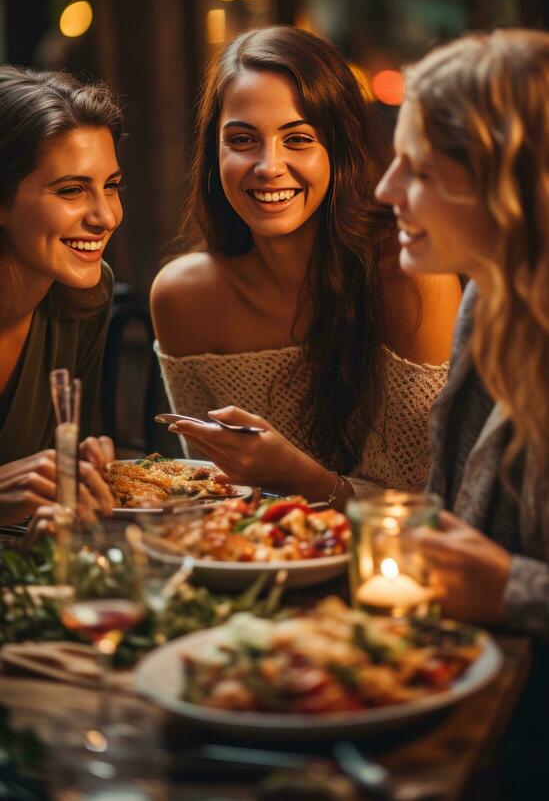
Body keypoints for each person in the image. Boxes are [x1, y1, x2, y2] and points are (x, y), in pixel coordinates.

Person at [151, 26, 461, 505]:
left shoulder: (409, 274)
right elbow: (210, 497)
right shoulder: (181, 297)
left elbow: (424, 505)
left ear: (340, 148)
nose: (269, 166)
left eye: (298, 139)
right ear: (215, 151)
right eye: (242, 139)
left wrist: (298, 476)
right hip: (250, 567)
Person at [375, 28, 549, 640]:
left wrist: (513, 592)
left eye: (418, 168)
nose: (385, 190)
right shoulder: (487, 297)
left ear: (509, 189)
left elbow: (497, 577)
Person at [0, 66, 124, 525]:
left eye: (111, 186)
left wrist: (81, 477)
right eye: (72, 190)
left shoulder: (86, 296)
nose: (106, 216)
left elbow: (51, 513)